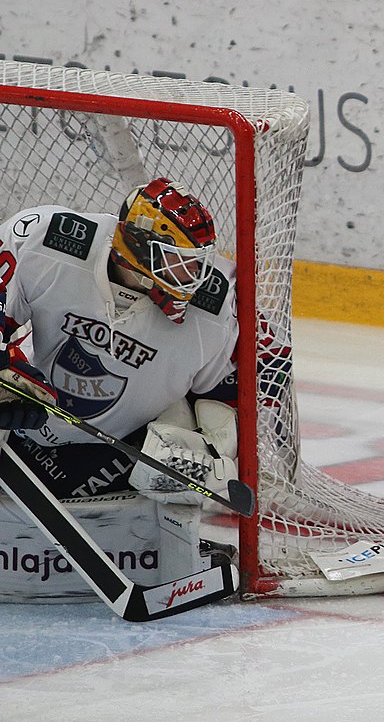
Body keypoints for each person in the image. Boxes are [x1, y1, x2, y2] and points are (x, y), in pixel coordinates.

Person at [0, 179, 239, 601]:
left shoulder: (213, 311)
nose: (194, 277)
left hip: (115, 458)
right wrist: (4, 371)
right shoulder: (48, 241)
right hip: (23, 429)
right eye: (178, 262)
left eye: (197, 263)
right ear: (139, 246)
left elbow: (222, 393)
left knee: (171, 459)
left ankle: (174, 547)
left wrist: (212, 452)